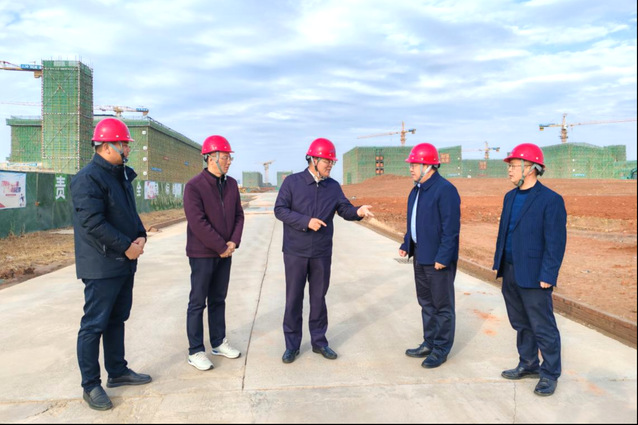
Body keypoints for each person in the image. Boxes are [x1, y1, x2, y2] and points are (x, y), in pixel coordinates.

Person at [71, 118, 152, 411]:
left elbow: (129, 213)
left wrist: (141, 235)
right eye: (124, 144)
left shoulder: (121, 175)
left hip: (123, 262)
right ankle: (91, 385)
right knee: (94, 324)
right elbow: (93, 223)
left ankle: (117, 371)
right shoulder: (88, 178)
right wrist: (126, 246)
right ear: (106, 146)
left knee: (117, 318)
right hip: (102, 264)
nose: (127, 149)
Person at [274, 137, 374, 364]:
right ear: (313, 159)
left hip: (321, 252)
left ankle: (319, 342)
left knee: (319, 298)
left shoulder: (333, 187)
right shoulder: (292, 183)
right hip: (295, 251)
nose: (330, 165)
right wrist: (306, 221)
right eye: (327, 161)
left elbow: (344, 209)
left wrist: (358, 211)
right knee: (294, 299)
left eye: (332, 162)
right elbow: (280, 210)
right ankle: (292, 345)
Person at [493, 143, 566, 397]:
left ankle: (550, 373)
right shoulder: (509, 197)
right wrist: (500, 264)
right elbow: (504, 233)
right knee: (521, 323)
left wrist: (548, 274)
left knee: (542, 325)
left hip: (535, 275)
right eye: (510, 166)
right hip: (510, 270)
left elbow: (556, 242)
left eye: (514, 165)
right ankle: (528, 363)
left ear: (531, 168)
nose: (509, 170)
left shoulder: (550, 200)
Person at [183, 135, 244, 371]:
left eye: (229, 158)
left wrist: (233, 242)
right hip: (202, 254)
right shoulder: (194, 186)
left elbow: (239, 215)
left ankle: (218, 342)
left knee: (218, 299)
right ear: (210, 158)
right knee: (197, 302)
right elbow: (197, 222)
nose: (228, 162)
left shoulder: (231, 185)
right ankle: (195, 351)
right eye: (225, 157)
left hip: (226, 253)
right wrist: (221, 246)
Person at [399, 143, 461, 369]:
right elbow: (414, 221)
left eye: (414, 164)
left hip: (437, 260)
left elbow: (451, 229)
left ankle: (441, 349)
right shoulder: (416, 190)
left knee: (442, 306)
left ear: (428, 166)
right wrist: (407, 243)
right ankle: (429, 342)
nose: (411, 168)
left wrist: (443, 258)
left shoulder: (445, 190)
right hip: (420, 256)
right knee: (426, 303)